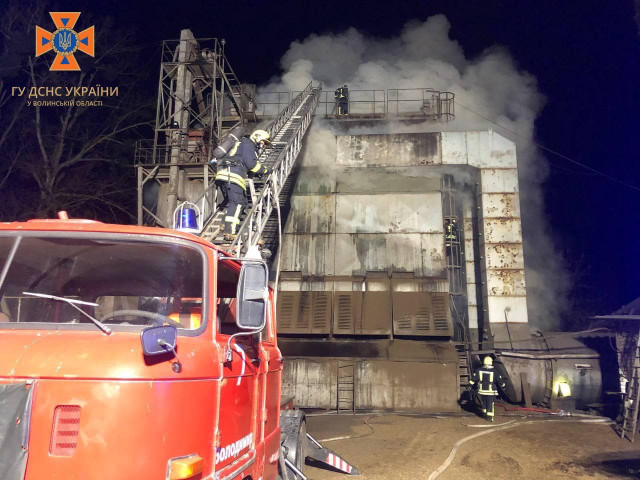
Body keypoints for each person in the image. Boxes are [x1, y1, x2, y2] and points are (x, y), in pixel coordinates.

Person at [214, 129, 270, 240]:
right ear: (257, 137)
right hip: (233, 176)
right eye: (263, 142)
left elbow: (243, 161)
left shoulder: (242, 143)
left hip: (226, 174)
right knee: (237, 202)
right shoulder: (248, 144)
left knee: (242, 202)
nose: (263, 145)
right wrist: (265, 170)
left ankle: (224, 224)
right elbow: (251, 164)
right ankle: (230, 231)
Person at [469, 356, 505, 422]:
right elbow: (500, 381)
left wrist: (469, 385)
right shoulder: (495, 372)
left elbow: (473, 379)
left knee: (484, 403)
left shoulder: (479, 370)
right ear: (491, 362)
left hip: (482, 390)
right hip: (490, 391)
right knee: (490, 403)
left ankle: (484, 414)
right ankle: (489, 417)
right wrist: (503, 386)